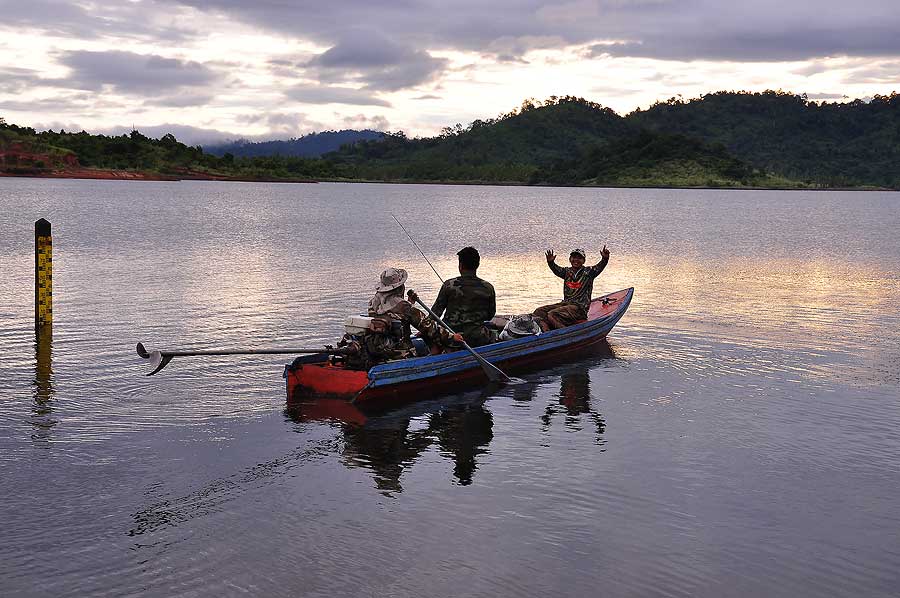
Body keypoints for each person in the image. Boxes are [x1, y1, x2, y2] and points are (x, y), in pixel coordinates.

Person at [363, 267, 461, 360]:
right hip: (400, 353)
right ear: (399, 287)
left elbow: (393, 313)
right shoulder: (404, 307)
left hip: (380, 350)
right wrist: (452, 337)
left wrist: (410, 303)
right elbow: (428, 326)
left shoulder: (373, 303)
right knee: (437, 343)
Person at [424, 247, 498, 347]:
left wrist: (424, 330)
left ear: (461, 266)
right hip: (478, 338)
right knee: (495, 334)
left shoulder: (448, 285)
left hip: (451, 338)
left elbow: (435, 314)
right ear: (477, 265)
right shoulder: (488, 288)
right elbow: (490, 315)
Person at [532, 246, 610, 331]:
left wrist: (605, 259)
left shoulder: (589, 272)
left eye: (579, 258)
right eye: (574, 257)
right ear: (570, 259)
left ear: (583, 261)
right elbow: (556, 269)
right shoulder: (566, 272)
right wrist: (550, 262)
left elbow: (599, 267)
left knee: (553, 314)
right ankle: (545, 332)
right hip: (566, 304)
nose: (576, 260)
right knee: (539, 312)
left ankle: (564, 334)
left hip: (579, 308)